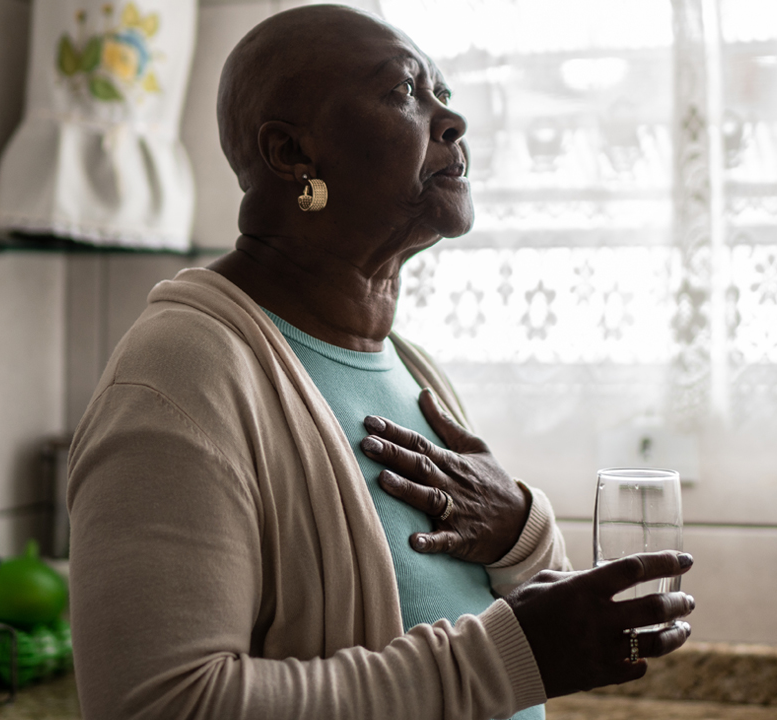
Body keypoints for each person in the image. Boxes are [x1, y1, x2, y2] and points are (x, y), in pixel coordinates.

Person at [66, 5, 695, 720]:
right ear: (292, 155)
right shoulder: (181, 375)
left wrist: (521, 531)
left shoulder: (410, 367)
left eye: (443, 93)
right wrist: (503, 659)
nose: (452, 120)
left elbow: (519, 628)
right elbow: (161, 705)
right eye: (404, 91)